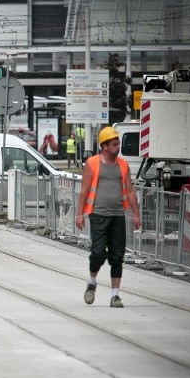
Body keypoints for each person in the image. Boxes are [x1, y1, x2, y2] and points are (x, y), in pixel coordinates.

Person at [76, 126, 141, 308]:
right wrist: (80, 214)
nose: (117, 147)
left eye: (118, 143)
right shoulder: (93, 163)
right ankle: (92, 282)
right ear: (104, 146)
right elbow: (85, 190)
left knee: (117, 256)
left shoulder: (123, 165)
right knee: (97, 253)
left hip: (118, 216)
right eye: (114, 144)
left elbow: (129, 190)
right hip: (98, 215)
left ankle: (115, 296)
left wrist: (136, 214)